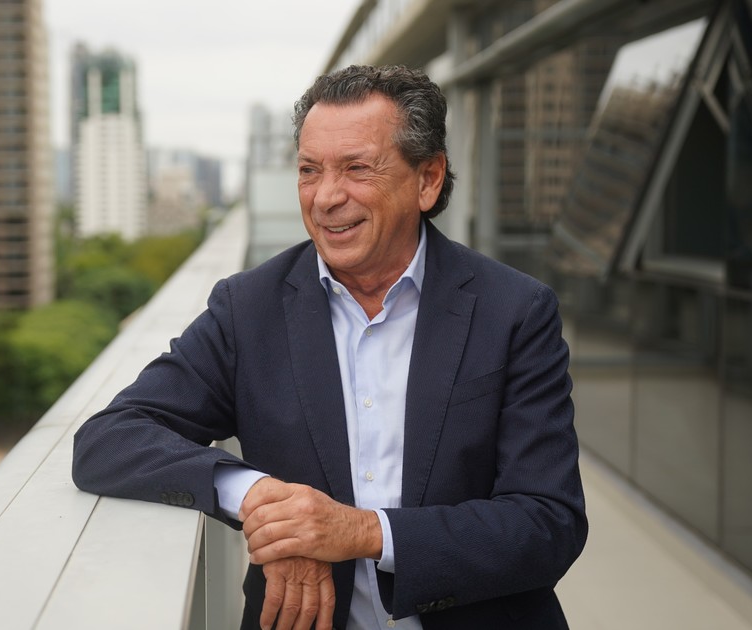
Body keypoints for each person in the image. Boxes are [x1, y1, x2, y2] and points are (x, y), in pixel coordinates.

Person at [73, 64, 587, 630]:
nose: (325, 198)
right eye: (309, 171)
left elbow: (549, 522)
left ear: (428, 179)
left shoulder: (514, 311)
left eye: (357, 169)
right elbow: (109, 439)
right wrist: (264, 502)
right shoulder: (249, 308)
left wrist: (360, 533)